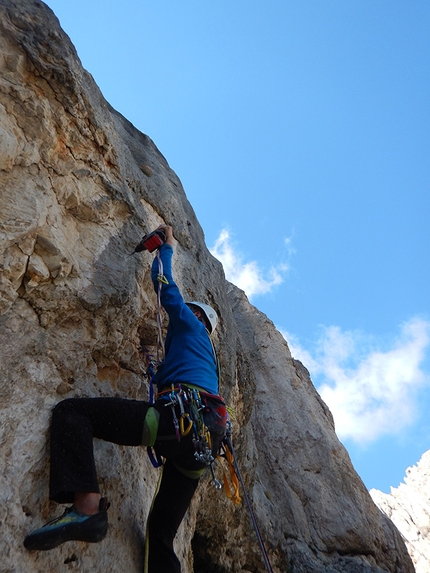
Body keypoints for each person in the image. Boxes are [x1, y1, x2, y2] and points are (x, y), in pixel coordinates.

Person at [24, 224, 227, 573]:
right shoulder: (206, 362)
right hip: (200, 449)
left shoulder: (191, 326)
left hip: (173, 423)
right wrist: (157, 372)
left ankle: (86, 510)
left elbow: (166, 290)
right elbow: (177, 378)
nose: (174, 322)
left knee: (73, 413)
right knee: (161, 533)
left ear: (197, 318)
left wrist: (166, 249)